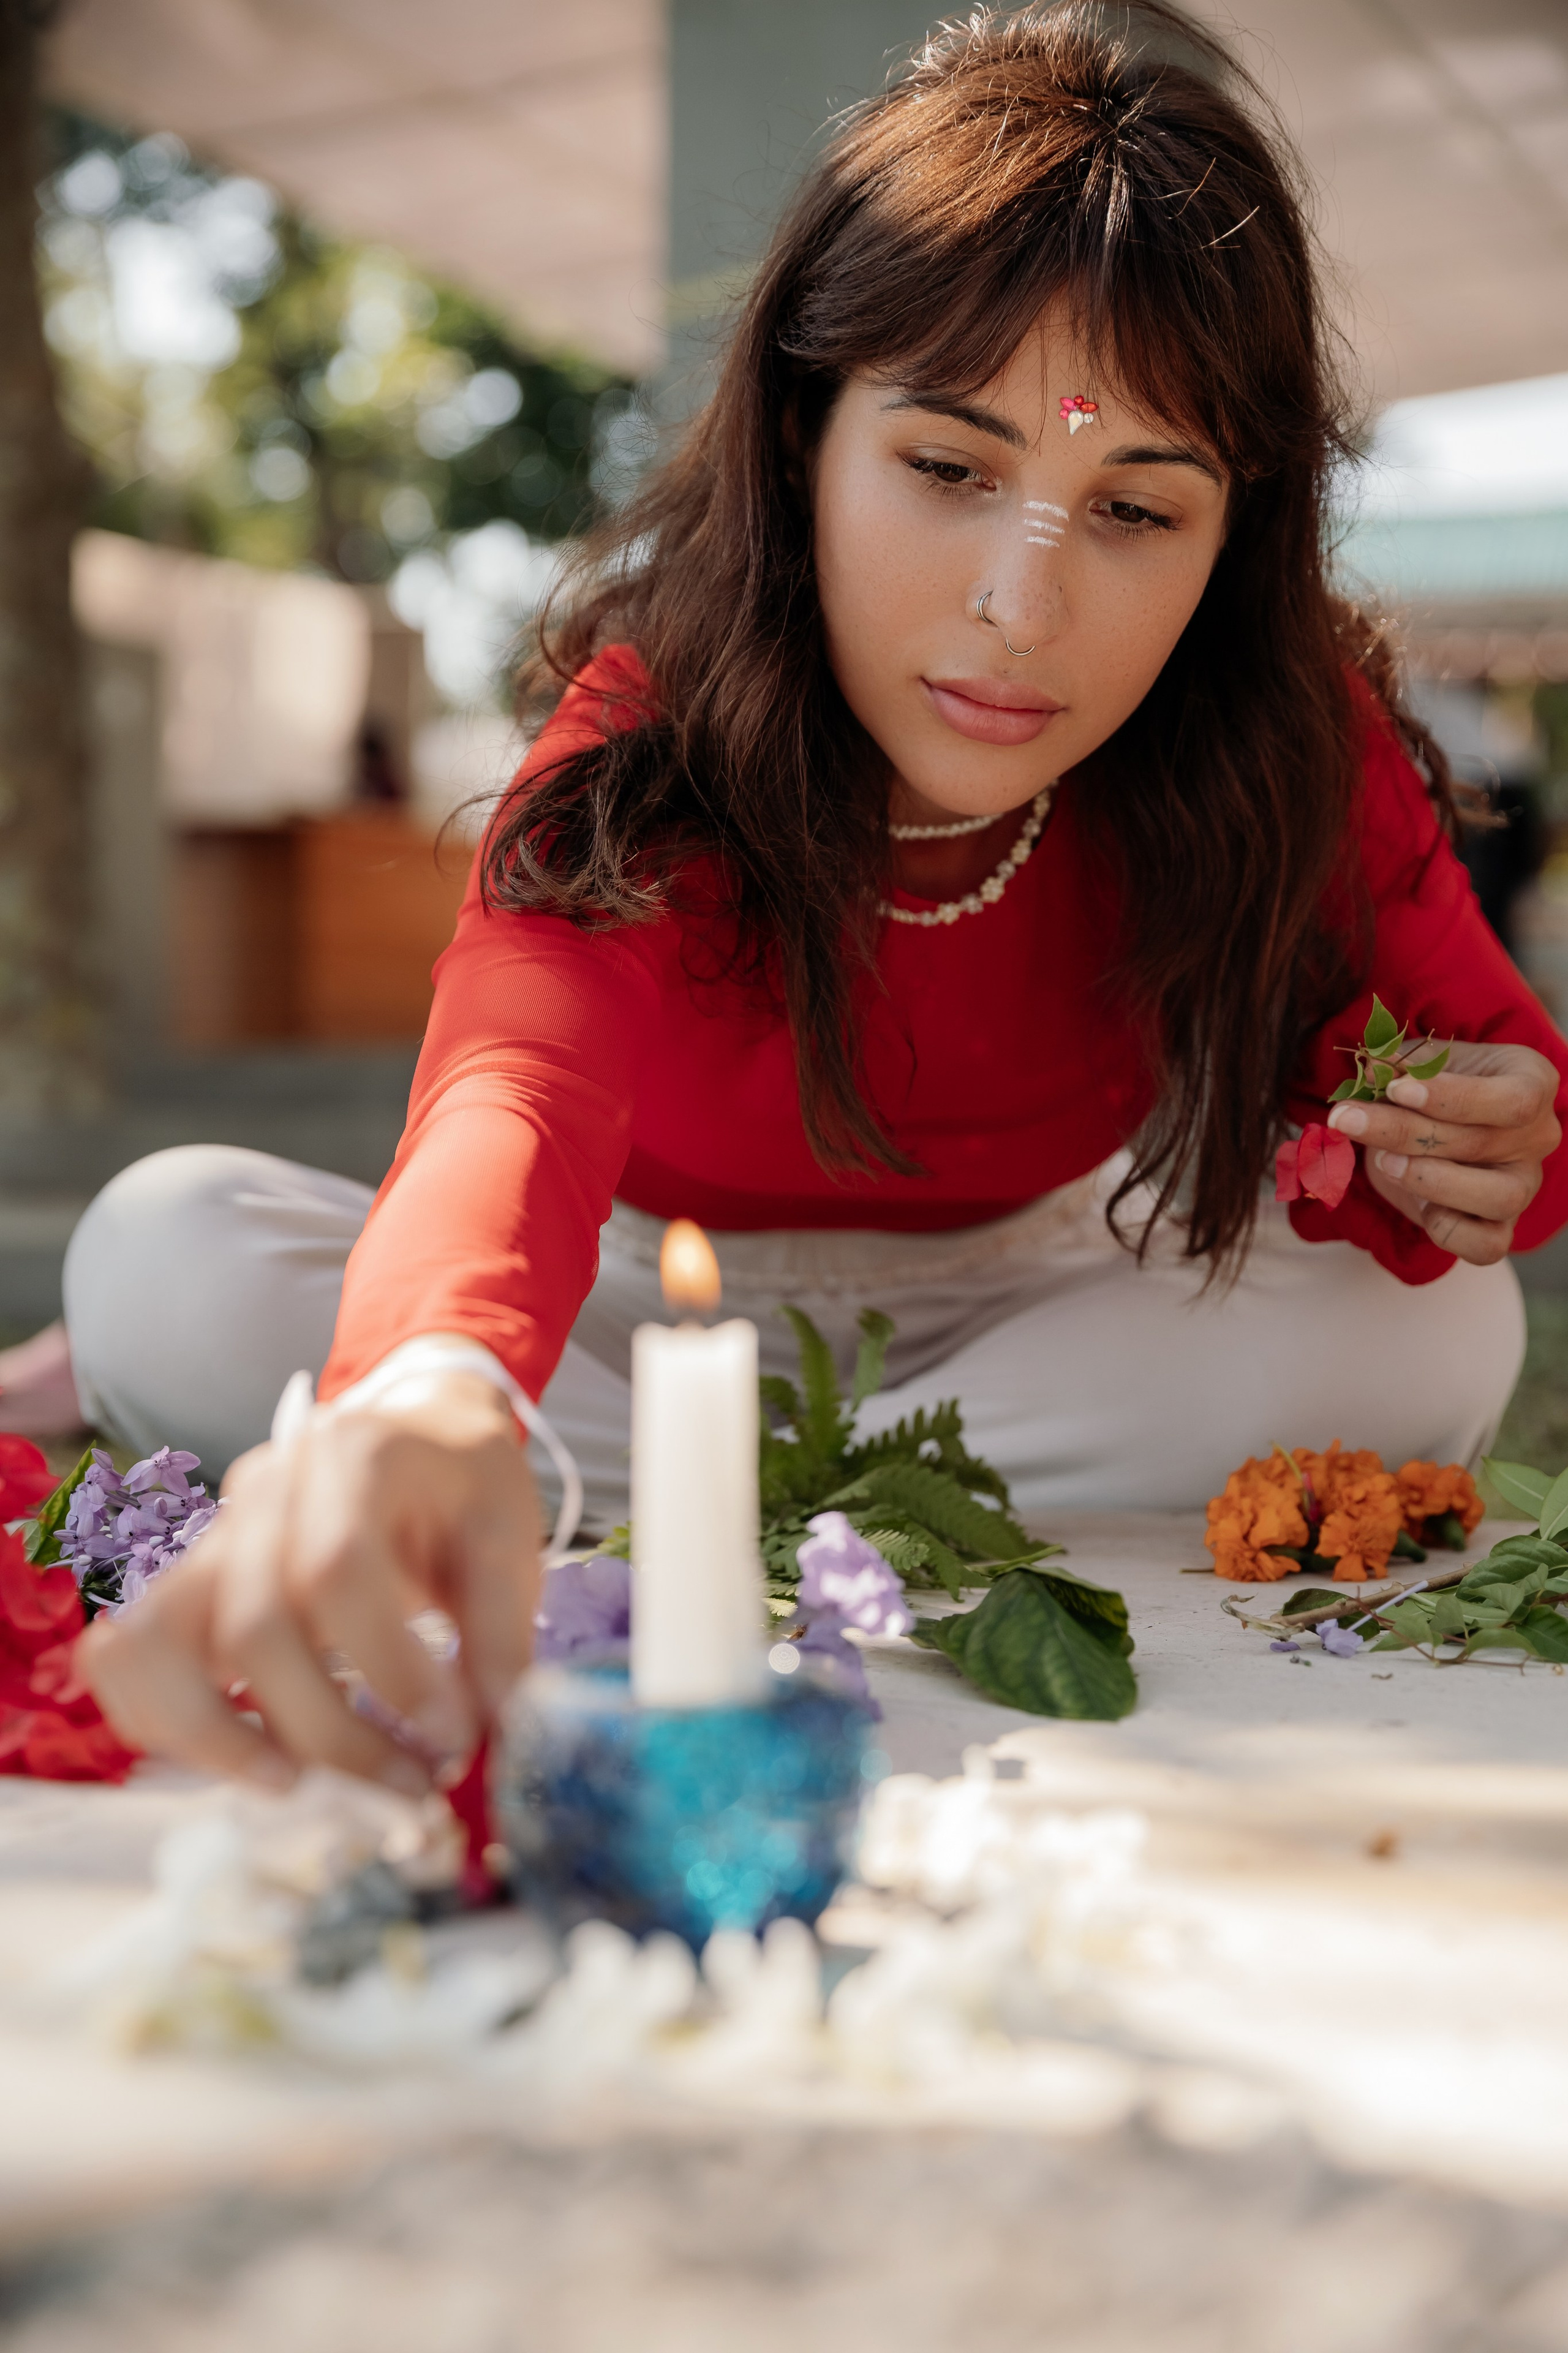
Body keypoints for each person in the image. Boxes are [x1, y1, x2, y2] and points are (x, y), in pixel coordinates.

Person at [62, 1, 1566, 1796]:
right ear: (802, 436)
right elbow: (510, 1093)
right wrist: (437, 1382)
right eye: (949, 468)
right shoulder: (656, 725)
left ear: (1232, 530)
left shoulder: (1282, 739)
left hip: (1038, 1322)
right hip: (627, 1312)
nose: (1023, 607)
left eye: (1136, 510)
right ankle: (685, 1489)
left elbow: (1503, 1094)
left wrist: (1495, 1136)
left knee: (1442, 1324)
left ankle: (670, 1511)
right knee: (165, 1249)